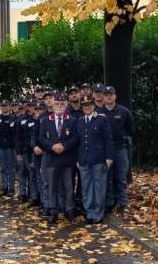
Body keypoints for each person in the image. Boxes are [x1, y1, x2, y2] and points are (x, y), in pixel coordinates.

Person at [39, 93, 79, 223]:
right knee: (52, 186)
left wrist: (64, 146)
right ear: (53, 105)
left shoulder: (72, 120)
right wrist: (52, 146)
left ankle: (69, 210)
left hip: (67, 158)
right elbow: (41, 139)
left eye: (62, 104)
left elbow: (76, 138)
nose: (59, 106)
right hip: (52, 158)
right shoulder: (45, 120)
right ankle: (53, 211)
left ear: (66, 105)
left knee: (69, 186)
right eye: (57, 104)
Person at [74, 95, 114, 224]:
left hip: (98, 159)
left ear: (93, 106)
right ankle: (89, 212)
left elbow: (108, 139)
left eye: (89, 105)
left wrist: (109, 157)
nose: (87, 107)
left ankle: (98, 213)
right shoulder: (80, 121)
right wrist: (77, 159)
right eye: (84, 105)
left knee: (99, 187)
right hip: (84, 159)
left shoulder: (102, 119)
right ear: (82, 107)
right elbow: (78, 142)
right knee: (86, 187)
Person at [101, 85, 134, 214]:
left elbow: (130, 130)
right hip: (104, 150)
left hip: (120, 148)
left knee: (121, 177)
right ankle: (109, 203)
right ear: (103, 97)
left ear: (115, 96)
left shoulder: (124, 111)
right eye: (106, 95)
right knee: (107, 178)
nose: (108, 97)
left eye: (111, 94)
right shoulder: (99, 112)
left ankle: (122, 203)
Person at [0, 100, 16, 196]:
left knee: (10, 168)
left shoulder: (13, 118)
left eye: (5, 106)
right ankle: (4, 187)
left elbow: (14, 132)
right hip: (0, 146)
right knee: (3, 167)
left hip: (10, 147)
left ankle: (11, 188)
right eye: (2, 106)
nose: (4, 108)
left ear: (9, 107)